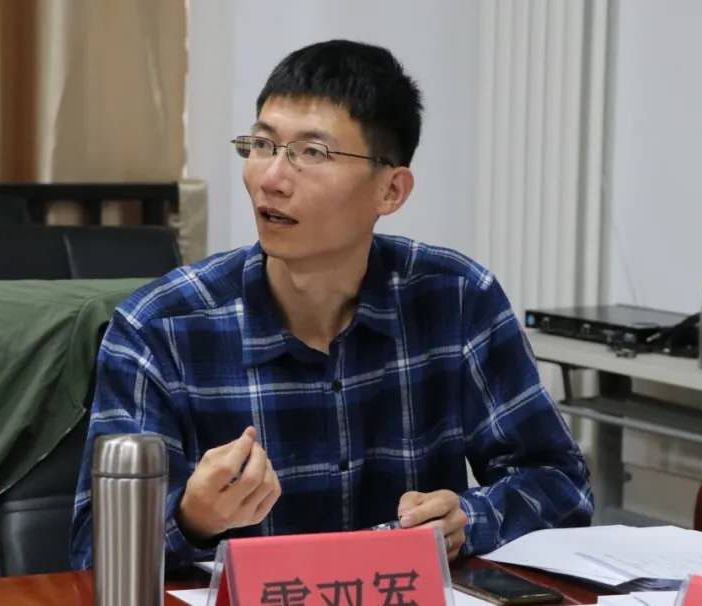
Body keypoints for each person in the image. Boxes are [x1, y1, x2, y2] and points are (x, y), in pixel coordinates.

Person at [70, 39, 592, 569]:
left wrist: (468, 521)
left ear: (391, 191)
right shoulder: (159, 327)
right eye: (262, 145)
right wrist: (190, 519)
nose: (271, 179)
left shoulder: (457, 297)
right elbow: (96, 551)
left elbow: (559, 482)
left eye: (312, 154)